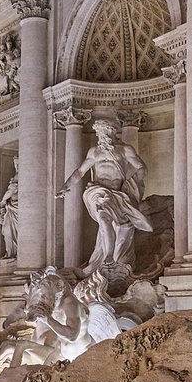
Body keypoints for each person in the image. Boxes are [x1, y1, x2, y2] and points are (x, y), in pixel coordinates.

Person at [57, 118, 152, 279]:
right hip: (98, 192)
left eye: (103, 132)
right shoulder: (94, 152)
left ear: (112, 132)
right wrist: (66, 185)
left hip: (117, 194)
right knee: (103, 217)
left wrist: (132, 184)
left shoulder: (125, 150)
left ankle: (107, 258)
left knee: (111, 224)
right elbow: (80, 171)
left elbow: (141, 168)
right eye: (99, 133)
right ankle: (108, 255)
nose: (100, 136)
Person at [0, 174, 21, 262]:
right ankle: (11, 253)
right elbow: (3, 202)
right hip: (10, 216)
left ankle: (17, 254)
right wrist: (2, 214)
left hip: (20, 216)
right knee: (8, 234)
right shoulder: (14, 185)